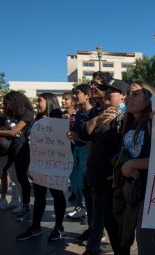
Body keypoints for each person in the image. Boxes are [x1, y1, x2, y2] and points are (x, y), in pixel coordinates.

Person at [119, 81, 155, 255]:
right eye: (128, 94)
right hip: (136, 188)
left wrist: (132, 164)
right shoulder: (128, 122)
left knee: (144, 235)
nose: (129, 97)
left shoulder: (154, 121)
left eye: (135, 94)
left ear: (149, 99)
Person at [81, 79, 128, 255]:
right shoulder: (103, 114)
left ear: (123, 95)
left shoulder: (126, 116)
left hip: (113, 182)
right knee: (104, 221)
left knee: (117, 228)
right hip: (98, 179)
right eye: (106, 91)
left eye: (113, 91)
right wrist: (100, 118)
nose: (107, 94)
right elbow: (85, 131)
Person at [16, 93, 67, 241]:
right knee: (39, 196)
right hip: (40, 165)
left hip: (56, 165)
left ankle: (59, 227)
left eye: (40, 101)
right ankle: (35, 227)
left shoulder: (61, 119)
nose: (37, 103)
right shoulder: (36, 119)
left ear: (49, 102)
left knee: (57, 194)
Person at [0, 91, 35, 224]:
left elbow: (14, 131)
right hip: (7, 148)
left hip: (21, 148)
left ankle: (26, 206)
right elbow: (4, 126)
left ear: (15, 100)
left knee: (22, 178)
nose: (6, 104)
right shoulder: (9, 113)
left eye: (8, 102)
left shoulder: (27, 113)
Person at [66, 84, 94, 219]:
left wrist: (79, 138)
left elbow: (95, 139)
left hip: (90, 157)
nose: (75, 96)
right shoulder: (77, 115)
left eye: (78, 93)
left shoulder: (94, 114)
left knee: (90, 191)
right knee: (81, 187)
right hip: (77, 154)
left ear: (88, 95)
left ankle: (96, 229)